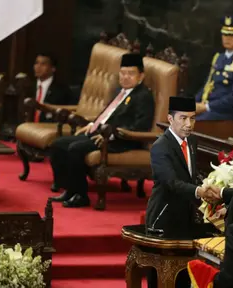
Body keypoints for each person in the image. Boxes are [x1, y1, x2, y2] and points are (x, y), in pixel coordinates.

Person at [49, 53, 155, 208]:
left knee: (75, 149)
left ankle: (81, 195)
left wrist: (111, 135)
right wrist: (93, 123)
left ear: (141, 76)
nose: (125, 77)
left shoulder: (143, 96)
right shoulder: (121, 91)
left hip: (121, 141)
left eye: (131, 74)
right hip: (101, 134)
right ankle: (69, 189)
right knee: (58, 144)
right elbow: (108, 114)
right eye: (123, 73)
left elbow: (140, 126)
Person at [145, 96, 220, 238]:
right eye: (183, 118)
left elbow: (190, 173)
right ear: (170, 119)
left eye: (192, 118)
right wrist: (199, 191)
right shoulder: (161, 147)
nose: (189, 124)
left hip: (187, 215)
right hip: (164, 216)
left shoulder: (192, 141)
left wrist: (209, 186)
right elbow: (171, 182)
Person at [195, 15, 233, 121]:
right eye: (225, 34)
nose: (227, 38)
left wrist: (206, 107)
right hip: (207, 108)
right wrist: (195, 103)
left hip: (224, 114)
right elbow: (207, 85)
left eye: (232, 35)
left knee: (191, 123)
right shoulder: (219, 57)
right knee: (177, 113)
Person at [32, 52, 73, 122]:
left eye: (43, 64)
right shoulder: (28, 86)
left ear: (53, 68)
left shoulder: (62, 91)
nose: (38, 67)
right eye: (36, 63)